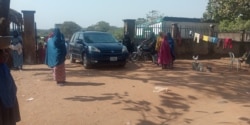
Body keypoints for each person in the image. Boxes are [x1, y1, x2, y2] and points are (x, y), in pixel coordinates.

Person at [0, 49, 21, 125]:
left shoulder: (4, 67)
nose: (5, 55)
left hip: (8, 97)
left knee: (9, 117)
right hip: (3, 100)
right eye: (2, 54)